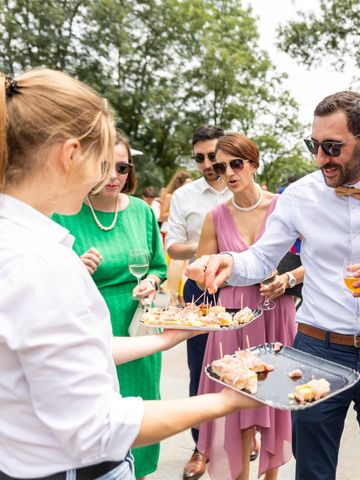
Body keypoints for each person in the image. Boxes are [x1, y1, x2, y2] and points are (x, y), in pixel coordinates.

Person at [0, 68, 258, 480]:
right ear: (69, 155)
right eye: (102, 162)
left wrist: (164, 341)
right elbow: (96, 428)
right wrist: (228, 401)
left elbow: (70, 349)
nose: (108, 177)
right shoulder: (40, 263)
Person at [187, 91, 360, 480]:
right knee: (313, 472)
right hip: (316, 351)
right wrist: (228, 261)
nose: (321, 158)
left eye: (332, 147)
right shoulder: (300, 196)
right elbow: (260, 259)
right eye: (314, 145)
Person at [52, 131, 166, 479]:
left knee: (143, 407)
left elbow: (157, 266)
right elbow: (45, 275)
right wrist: (75, 268)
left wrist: (151, 281)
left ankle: (141, 472)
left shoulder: (143, 212)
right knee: (98, 416)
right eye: (104, 166)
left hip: (139, 324)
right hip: (88, 325)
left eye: (121, 166)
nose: (113, 176)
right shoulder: (65, 212)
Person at [195, 133, 301, 480]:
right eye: (220, 167)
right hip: (234, 319)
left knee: (274, 400)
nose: (228, 172)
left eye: (236, 164)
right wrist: (214, 273)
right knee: (236, 408)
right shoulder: (215, 215)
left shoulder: (282, 207)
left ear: (253, 164)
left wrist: (287, 278)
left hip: (276, 313)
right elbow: (201, 273)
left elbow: (318, 260)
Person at [164, 125, 232, 479]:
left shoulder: (244, 190)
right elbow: (173, 246)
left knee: (240, 366)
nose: (207, 163)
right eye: (199, 158)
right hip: (199, 292)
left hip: (239, 289)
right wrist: (208, 245)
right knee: (201, 369)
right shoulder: (185, 196)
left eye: (212, 156)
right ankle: (200, 446)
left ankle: (241, 435)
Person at [159, 170, 193, 301]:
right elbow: (162, 216)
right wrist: (176, 211)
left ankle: (182, 296)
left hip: (185, 233)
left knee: (185, 266)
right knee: (175, 264)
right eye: (187, 184)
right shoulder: (170, 196)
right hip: (170, 231)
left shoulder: (189, 198)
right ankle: (172, 296)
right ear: (180, 184)